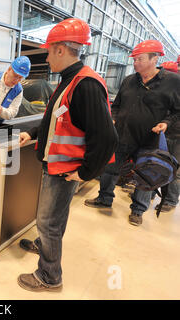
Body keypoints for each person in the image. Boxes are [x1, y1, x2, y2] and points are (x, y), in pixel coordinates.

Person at [16, 18, 118, 292]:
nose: (46, 58)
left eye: (48, 52)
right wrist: (35, 133)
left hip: (65, 169)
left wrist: (85, 172)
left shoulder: (85, 84)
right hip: (57, 166)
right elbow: (57, 119)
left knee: (47, 221)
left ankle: (49, 276)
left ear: (61, 49)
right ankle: (44, 247)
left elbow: (108, 138)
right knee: (55, 219)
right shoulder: (69, 80)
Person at [85, 40, 180, 226]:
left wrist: (166, 123)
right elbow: (117, 104)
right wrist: (113, 118)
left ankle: (138, 210)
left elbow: (178, 111)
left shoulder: (173, 82)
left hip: (149, 140)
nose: (135, 63)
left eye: (140, 59)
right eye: (134, 59)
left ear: (155, 59)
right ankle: (104, 198)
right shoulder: (129, 80)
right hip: (122, 135)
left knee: (145, 175)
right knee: (110, 168)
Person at [154, 61, 180, 212]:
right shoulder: (169, 88)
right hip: (165, 132)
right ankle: (150, 190)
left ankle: (170, 200)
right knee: (158, 163)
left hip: (177, 135)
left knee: (175, 170)